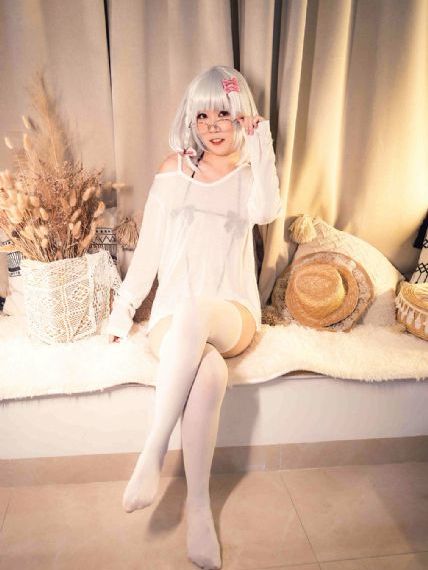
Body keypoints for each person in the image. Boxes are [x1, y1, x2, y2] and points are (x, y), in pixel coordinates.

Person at [106, 64, 284, 570]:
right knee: (208, 373)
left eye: (223, 113)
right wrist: (122, 314)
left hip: (233, 312)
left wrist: (262, 143)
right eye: (202, 115)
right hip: (172, 319)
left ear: (241, 115)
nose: (211, 125)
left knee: (198, 309)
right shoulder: (172, 171)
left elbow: (267, 211)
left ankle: (153, 447)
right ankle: (200, 508)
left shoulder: (251, 175)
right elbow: (148, 253)